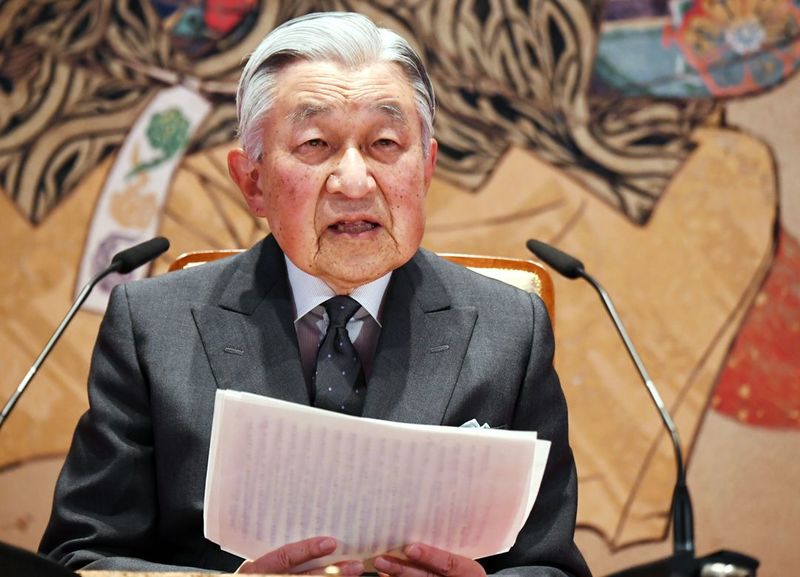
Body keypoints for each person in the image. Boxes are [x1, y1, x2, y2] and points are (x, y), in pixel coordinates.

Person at [40, 12, 590, 577]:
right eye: (315, 143)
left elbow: (552, 568)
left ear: (426, 168)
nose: (353, 182)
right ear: (253, 181)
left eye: (384, 143)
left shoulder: (509, 331)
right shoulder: (154, 328)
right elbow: (80, 558)